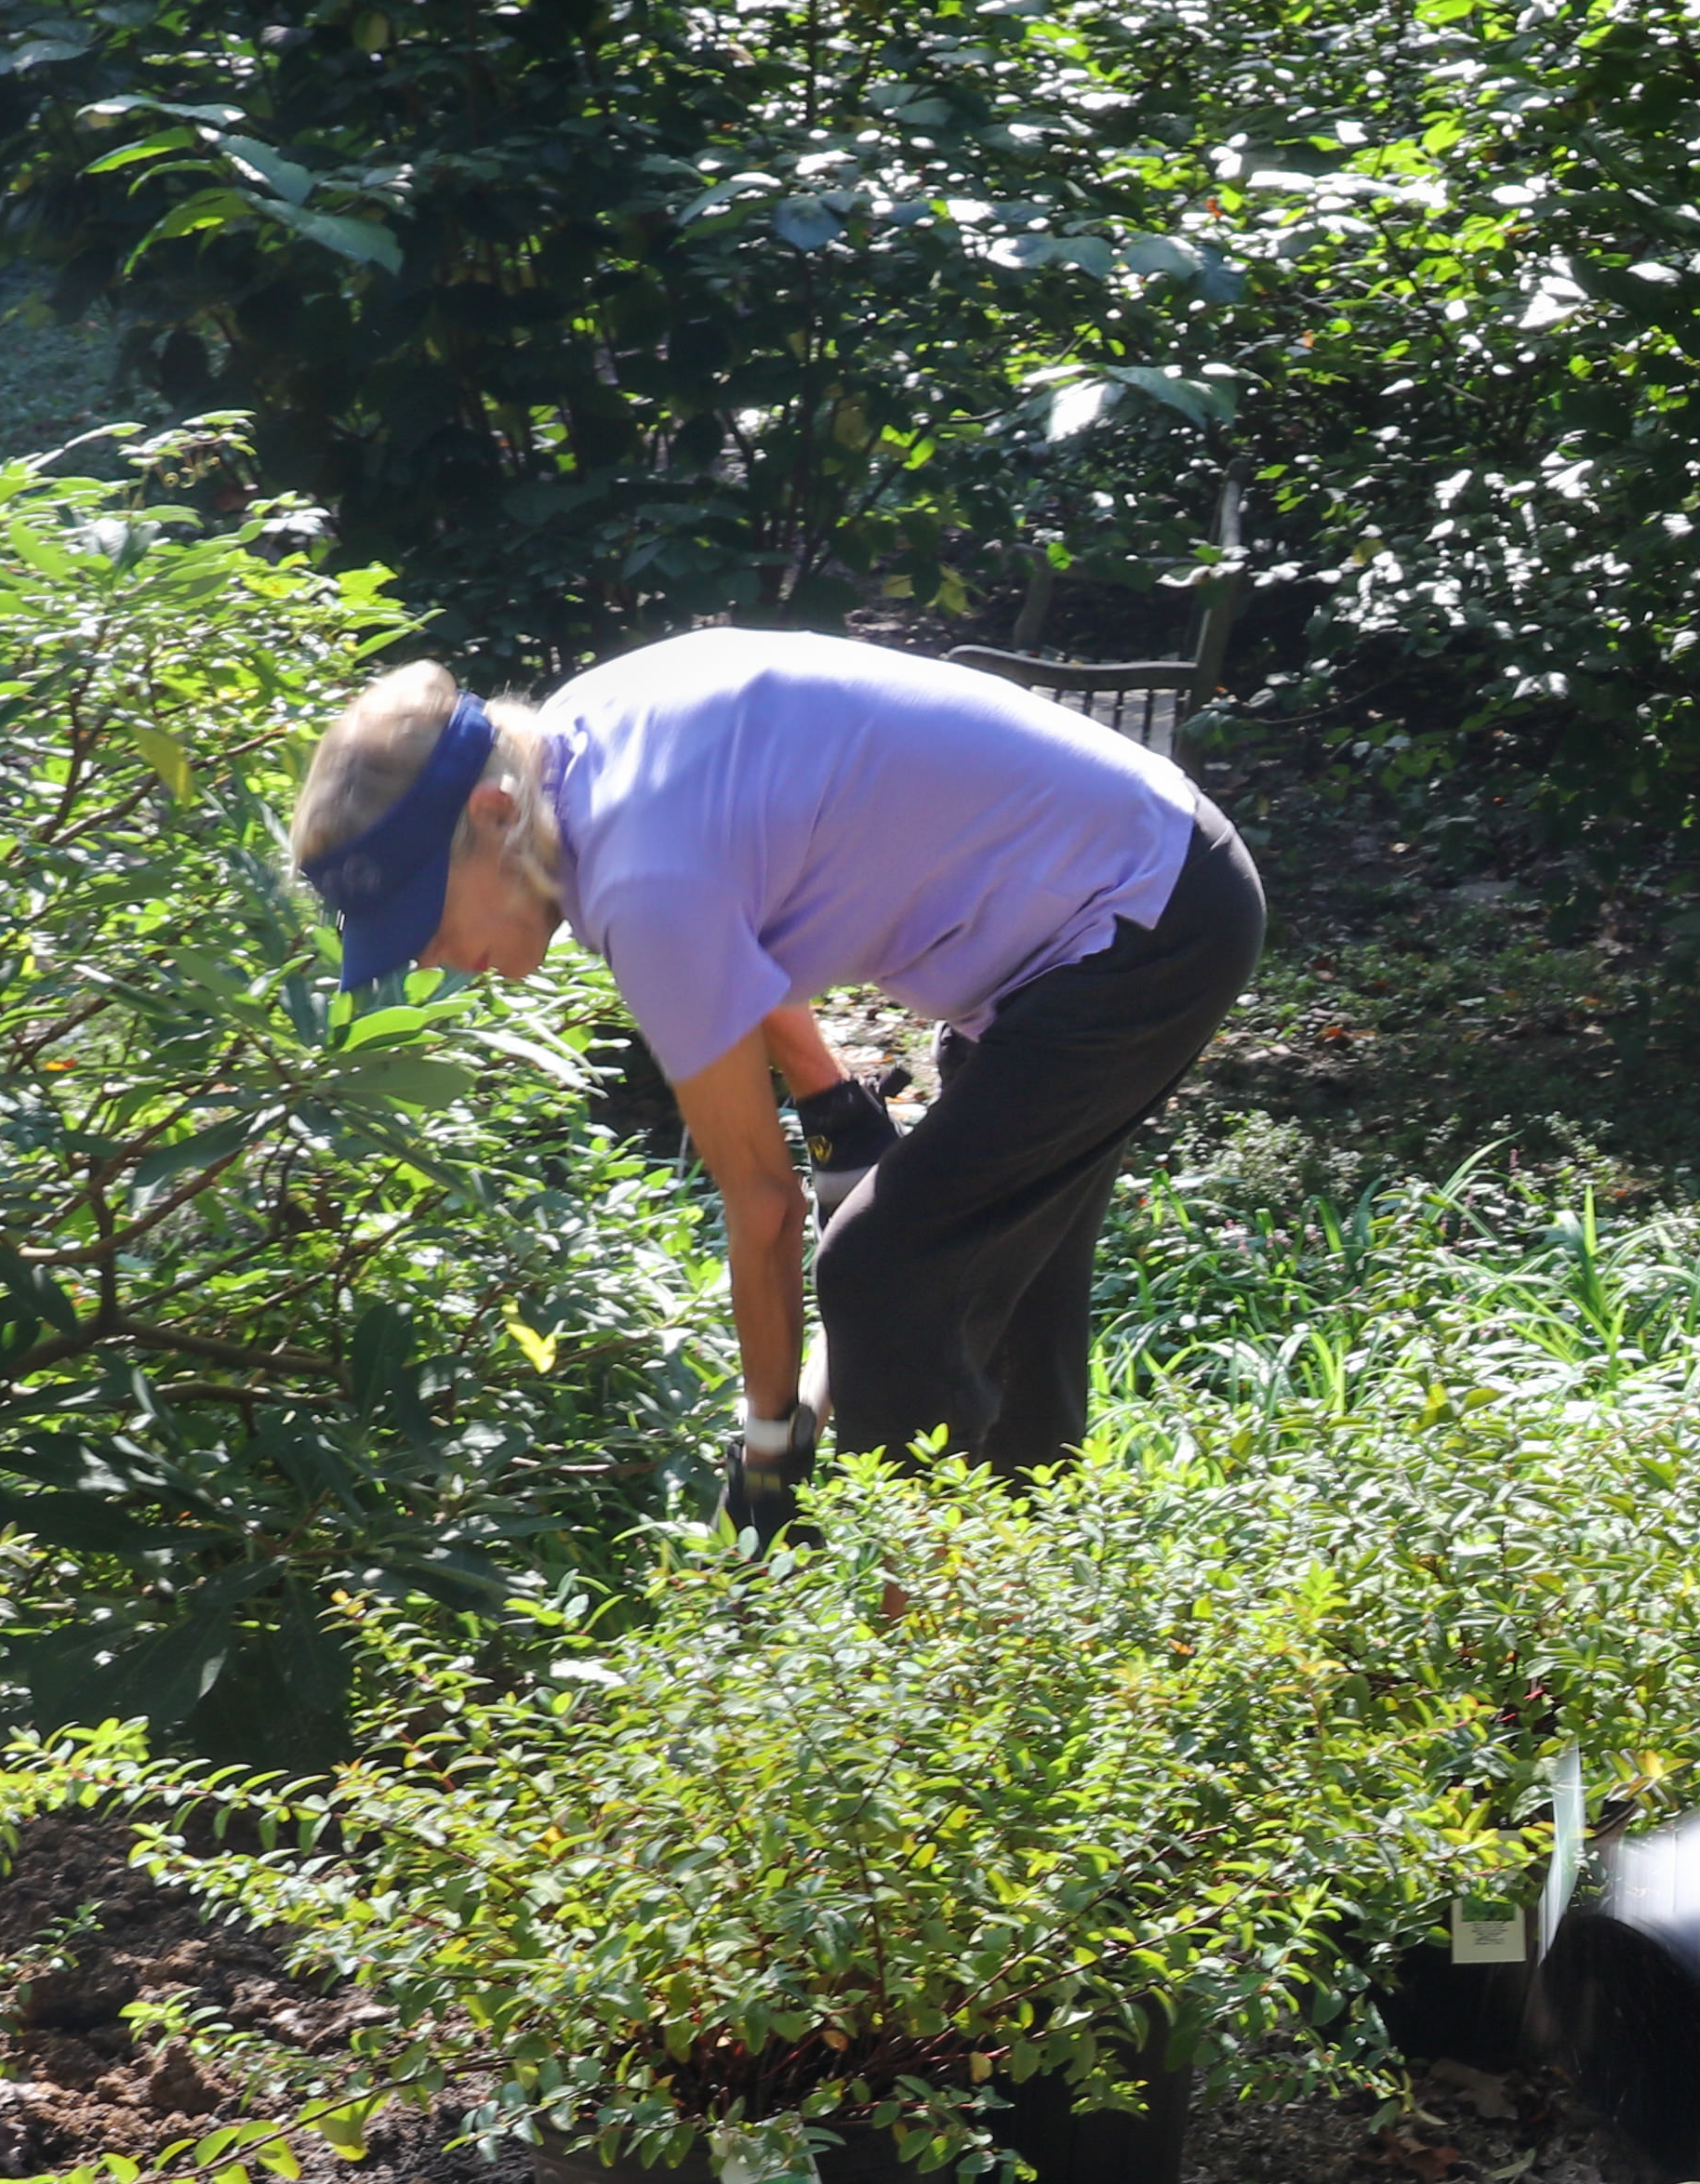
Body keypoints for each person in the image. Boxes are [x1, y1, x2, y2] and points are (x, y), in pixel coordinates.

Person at [282, 629, 1266, 1528]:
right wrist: (832, 1103)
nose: (432, 963)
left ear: (491, 817)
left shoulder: (640, 880)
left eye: (425, 922)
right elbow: (736, 926)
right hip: (1133, 887)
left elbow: (764, 1209)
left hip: (1140, 923)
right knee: (997, 1289)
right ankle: (1024, 1610)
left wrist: (767, 1456)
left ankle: (916, 1660)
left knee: (884, 1273)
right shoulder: (578, 748)